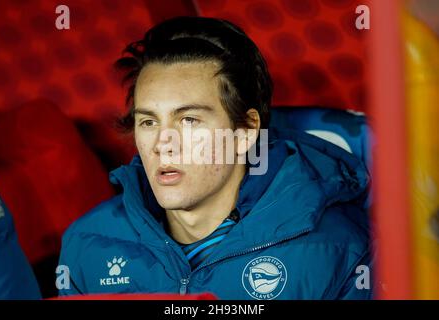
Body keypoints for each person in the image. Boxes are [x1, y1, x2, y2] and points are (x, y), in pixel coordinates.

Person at [58, 16, 373, 299]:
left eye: (189, 120)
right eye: (149, 122)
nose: (162, 144)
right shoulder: (86, 243)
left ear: (246, 131)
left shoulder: (339, 251)